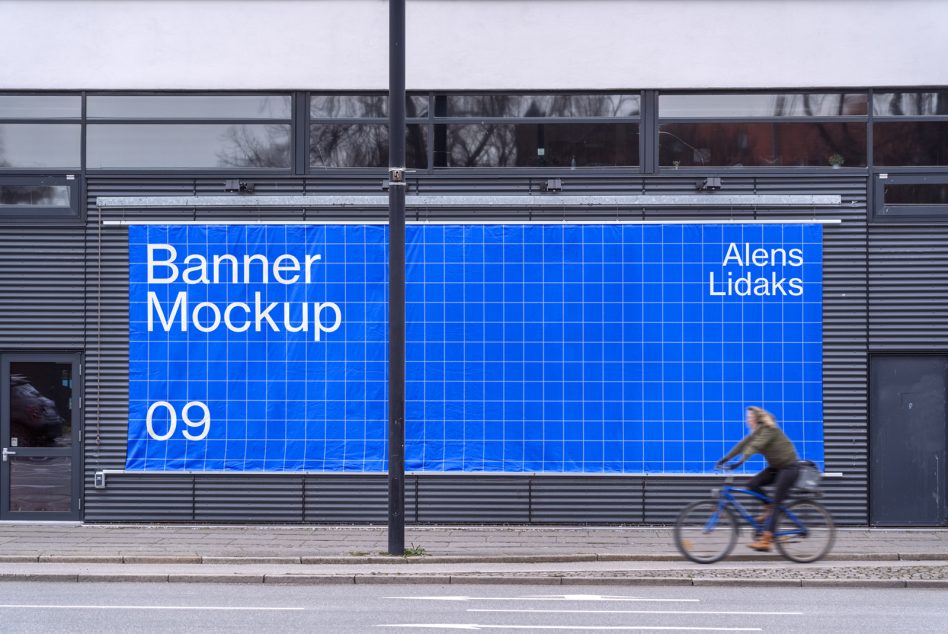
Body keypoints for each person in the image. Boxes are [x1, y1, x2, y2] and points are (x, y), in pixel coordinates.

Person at [715, 406, 800, 552]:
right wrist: (725, 459)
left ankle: (766, 540)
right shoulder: (756, 432)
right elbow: (742, 445)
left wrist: (740, 462)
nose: (747, 420)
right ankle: (768, 509)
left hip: (789, 468)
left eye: (749, 417)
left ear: (756, 419)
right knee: (753, 484)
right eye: (747, 418)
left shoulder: (768, 430)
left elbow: (755, 446)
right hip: (776, 468)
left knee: (777, 504)